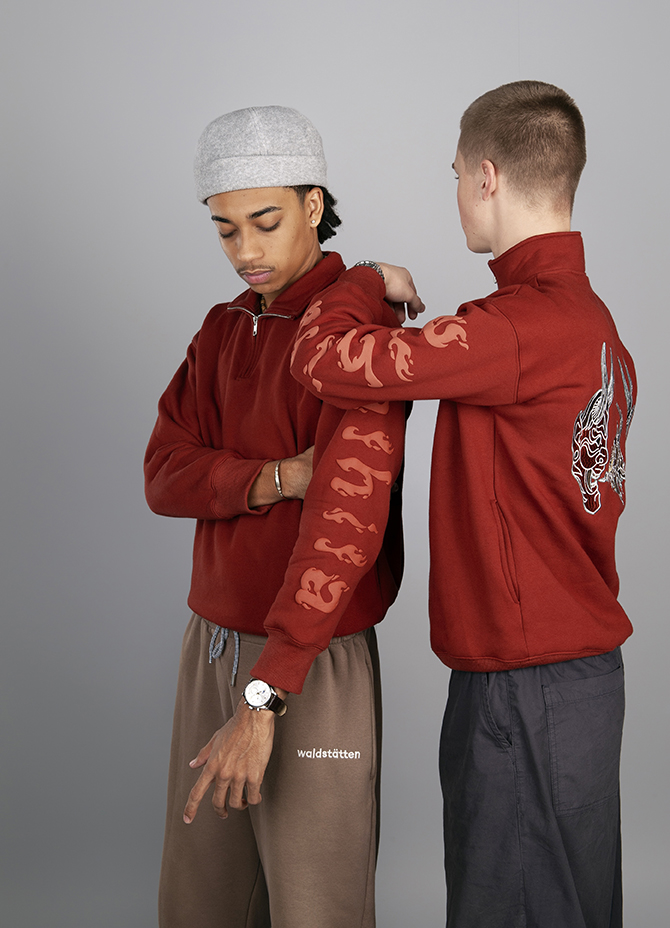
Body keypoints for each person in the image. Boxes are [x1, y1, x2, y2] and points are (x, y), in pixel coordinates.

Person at [290, 81, 635, 928]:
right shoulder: (597, 327)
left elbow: (321, 358)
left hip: (524, 684)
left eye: (453, 175)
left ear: (487, 176)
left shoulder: (513, 328)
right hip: (580, 681)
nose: (454, 192)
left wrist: (365, 278)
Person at [144, 106, 406, 928]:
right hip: (212, 644)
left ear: (313, 204)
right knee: (201, 903)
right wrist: (275, 477)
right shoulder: (221, 328)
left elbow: (344, 531)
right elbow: (163, 475)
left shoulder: (358, 333)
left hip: (313, 659)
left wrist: (266, 696)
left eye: (265, 222)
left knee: (316, 904)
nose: (245, 251)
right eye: (225, 230)